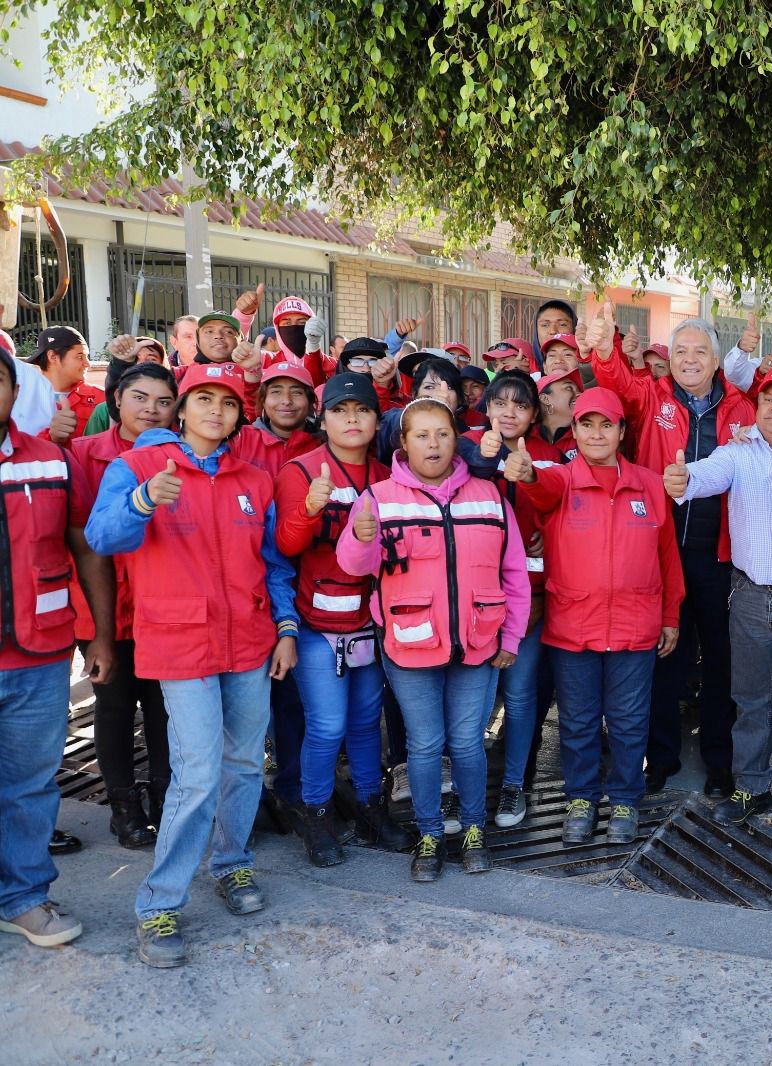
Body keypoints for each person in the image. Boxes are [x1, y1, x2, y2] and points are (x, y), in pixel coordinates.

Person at [85, 360, 299, 968]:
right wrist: (143, 500)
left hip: (250, 643)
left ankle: (232, 865)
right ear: (182, 409)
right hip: (181, 646)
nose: (215, 411)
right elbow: (102, 537)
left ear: (238, 416)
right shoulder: (138, 468)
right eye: (203, 399)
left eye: (228, 403)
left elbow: (274, 565)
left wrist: (285, 628)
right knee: (198, 771)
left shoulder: (255, 480)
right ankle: (160, 902)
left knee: (240, 763)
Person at [337, 398, 529, 881]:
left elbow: (515, 575)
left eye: (442, 433)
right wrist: (361, 536)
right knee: (424, 746)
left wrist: (512, 636)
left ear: (456, 438)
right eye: (421, 435)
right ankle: (428, 834)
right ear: (403, 443)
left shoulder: (489, 496)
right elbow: (352, 567)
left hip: (479, 643)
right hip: (409, 644)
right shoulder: (378, 498)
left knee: (466, 744)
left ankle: (472, 830)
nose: (433, 444)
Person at [589, 304, 754, 797]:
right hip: (660, 552)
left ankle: (720, 762)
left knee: (722, 661)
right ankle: (659, 758)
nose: (687, 359)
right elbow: (617, 381)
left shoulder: (740, 409)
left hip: (720, 557)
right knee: (665, 659)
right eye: (680, 350)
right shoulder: (653, 395)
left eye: (698, 351)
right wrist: (603, 349)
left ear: (716, 359)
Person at [663, 364, 772, 834]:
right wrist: (681, 478)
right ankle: (752, 787)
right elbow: (701, 476)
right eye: (766, 400)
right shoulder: (736, 453)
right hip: (751, 594)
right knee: (750, 698)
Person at [513, 387, 684, 843]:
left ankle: (626, 800)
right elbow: (538, 485)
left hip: (636, 624)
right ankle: (581, 799)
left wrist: (671, 615)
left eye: (606, 424)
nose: (596, 433)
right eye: (586, 424)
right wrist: (527, 471)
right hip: (574, 626)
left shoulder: (649, 484)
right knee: (579, 721)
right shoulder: (561, 480)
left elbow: (668, 557)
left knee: (629, 721)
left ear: (622, 431)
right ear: (574, 430)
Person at [0, 346, 113, 950]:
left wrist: (99, 630)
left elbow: (85, 547)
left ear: (14, 391)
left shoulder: (49, 461)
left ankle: (23, 898)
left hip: (37, 655)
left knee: (29, 785)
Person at [274, 373, 412, 865]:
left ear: (379, 419)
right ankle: (314, 812)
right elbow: (286, 546)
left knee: (362, 725)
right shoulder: (300, 470)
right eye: (339, 410)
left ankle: (371, 807)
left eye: (362, 410)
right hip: (316, 625)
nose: (351, 419)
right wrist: (312, 508)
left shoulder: (388, 475)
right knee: (327, 726)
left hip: (370, 623)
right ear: (323, 416)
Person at [71, 363, 178, 848]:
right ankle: (123, 807)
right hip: (100, 605)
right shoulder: (83, 455)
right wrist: (99, 629)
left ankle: (165, 799)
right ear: (115, 400)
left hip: (163, 604)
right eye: (139, 398)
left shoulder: (182, 454)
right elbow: (82, 540)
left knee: (162, 710)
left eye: (162, 401)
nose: (150, 410)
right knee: (113, 705)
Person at [460, 371, 551, 827]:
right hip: (471, 601)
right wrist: (482, 456)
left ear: (534, 414)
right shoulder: (462, 446)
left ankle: (515, 786)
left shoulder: (549, 456)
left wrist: (546, 542)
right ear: (486, 407)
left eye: (520, 404)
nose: (509, 412)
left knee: (518, 697)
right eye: (500, 402)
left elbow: (565, 515)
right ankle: (464, 789)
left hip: (528, 599)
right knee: (472, 705)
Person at [30, 325, 102, 440]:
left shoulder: (102, 398)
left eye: (87, 356)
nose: (88, 363)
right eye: (80, 357)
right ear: (53, 356)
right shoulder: (22, 400)